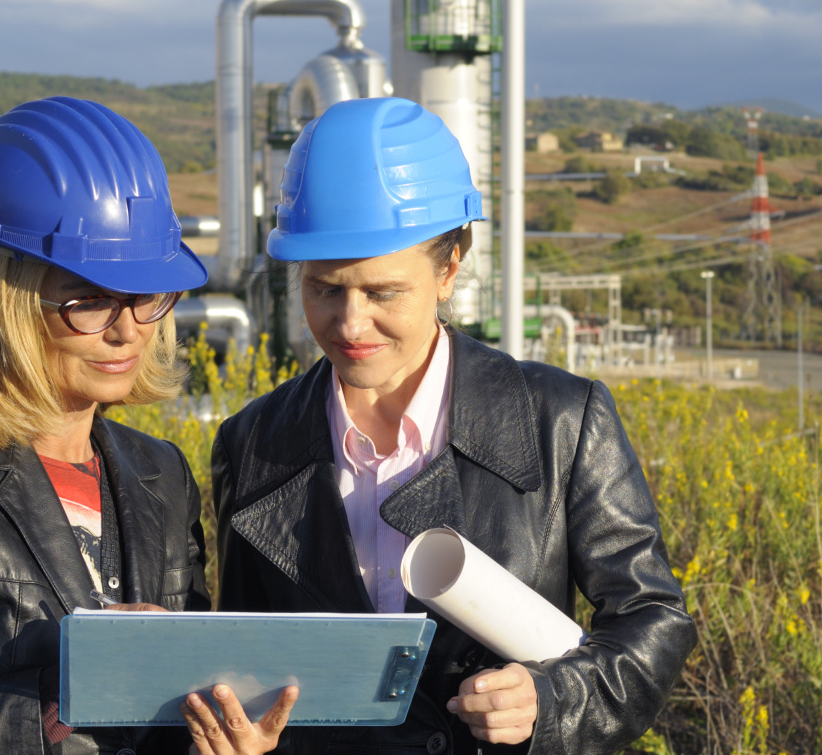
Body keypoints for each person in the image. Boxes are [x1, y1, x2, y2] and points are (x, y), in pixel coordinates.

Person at [205, 97, 696, 755]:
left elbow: (651, 620)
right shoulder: (252, 443)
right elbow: (247, 657)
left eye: (381, 292)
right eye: (324, 288)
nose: (350, 324)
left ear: (449, 267)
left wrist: (551, 702)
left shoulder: (561, 420)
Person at [0, 97, 255, 755]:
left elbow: (184, 703)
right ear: (10, 302)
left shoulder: (163, 472)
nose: (126, 331)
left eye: (145, 295)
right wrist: (57, 704)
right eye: (88, 299)